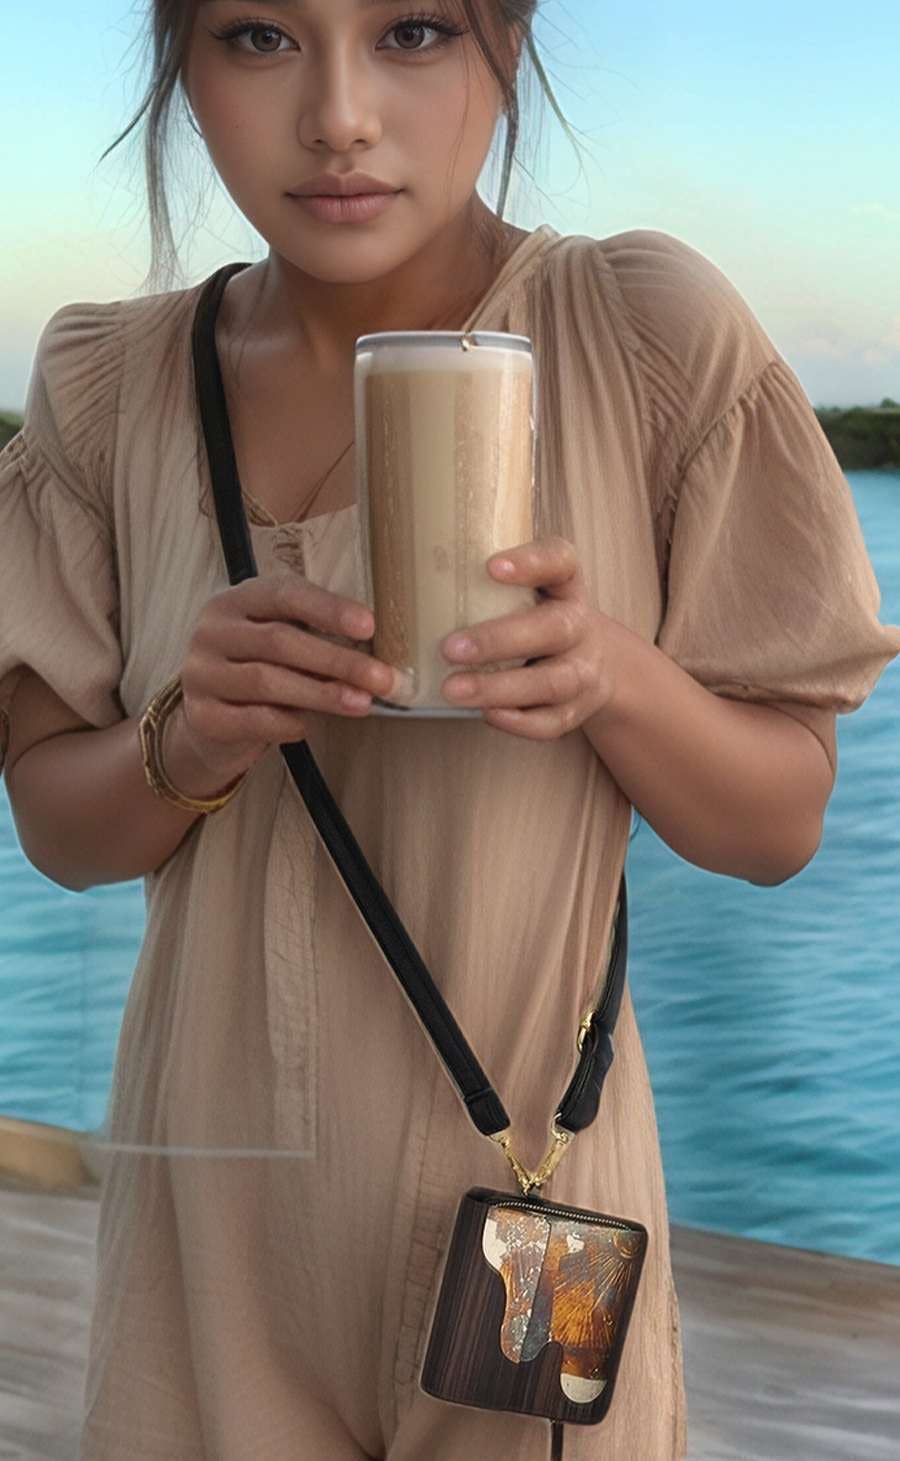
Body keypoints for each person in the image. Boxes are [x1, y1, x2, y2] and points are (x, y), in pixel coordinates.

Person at [1, 2, 898, 1458]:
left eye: (413, 31)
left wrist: (611, 676)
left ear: (509, 42)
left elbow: (778, 823)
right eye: (259, 36)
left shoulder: (642, 335)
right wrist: (191, 732)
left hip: (536, 1192)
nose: (340, 116)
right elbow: (62, 831)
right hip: (210, 1232)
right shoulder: (115, 381)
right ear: (180, 62)